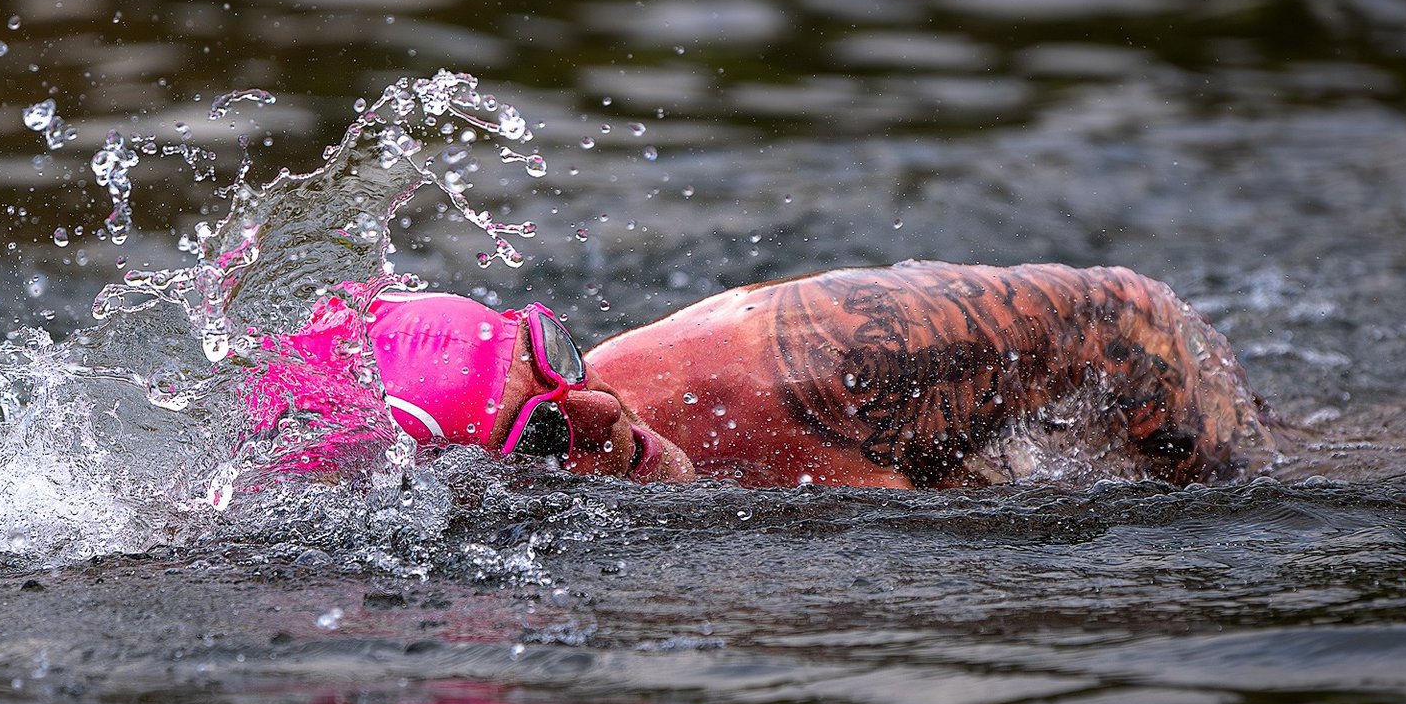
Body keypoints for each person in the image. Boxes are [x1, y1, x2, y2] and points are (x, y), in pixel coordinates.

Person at [347, 261, 1274, 489]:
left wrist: (1244, 498)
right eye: (542, 435)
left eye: (555, 353)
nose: (596, 408)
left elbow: (1132, 313)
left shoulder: (814, 359)